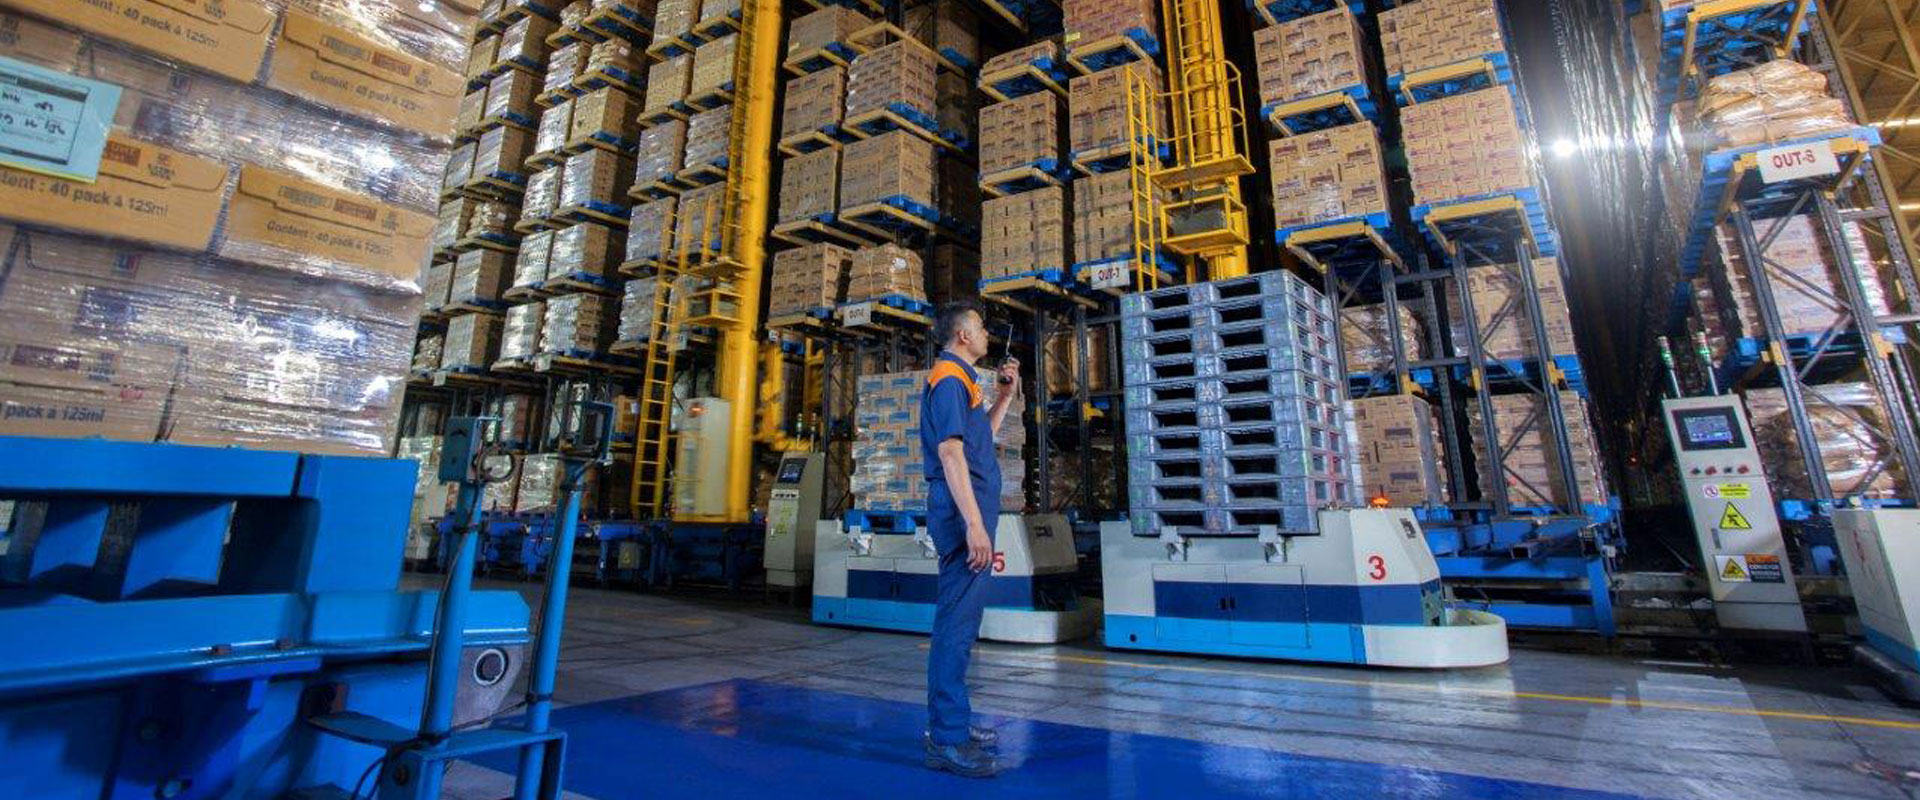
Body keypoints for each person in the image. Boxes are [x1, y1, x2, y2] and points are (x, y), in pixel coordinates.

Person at [920, 300, 1019, 779]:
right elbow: (950, 453)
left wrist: (1004, 397)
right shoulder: (948, 379)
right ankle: (947, 738)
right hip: (963, 513)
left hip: (970, 508)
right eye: (979, 327)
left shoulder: (965, 382)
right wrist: (974, 523)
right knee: (956, 625)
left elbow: (978, 442)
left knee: (962, 622)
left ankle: (953, 722)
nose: (986, 334)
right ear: (962, 335)